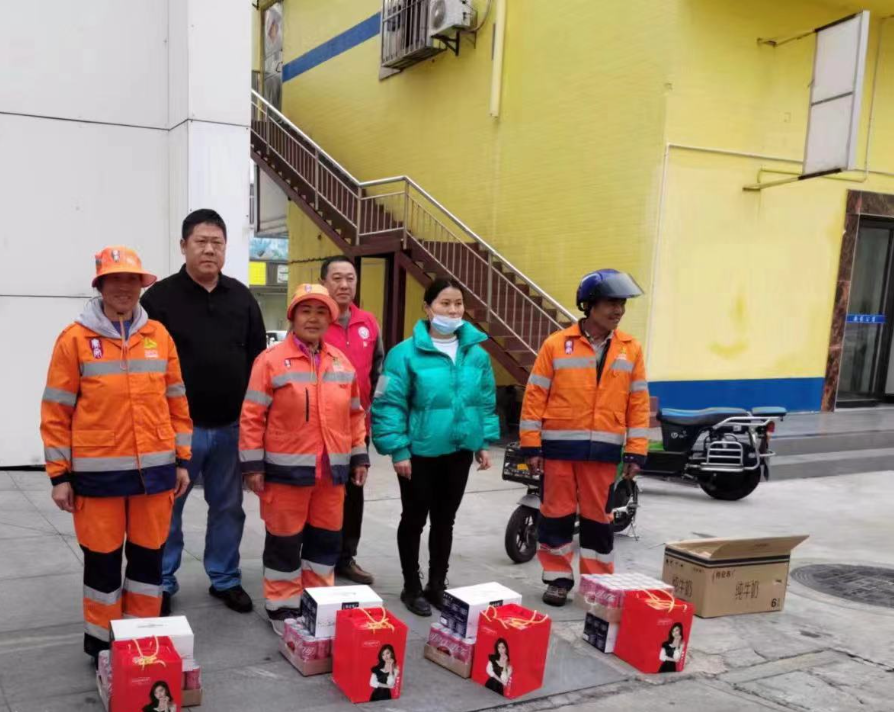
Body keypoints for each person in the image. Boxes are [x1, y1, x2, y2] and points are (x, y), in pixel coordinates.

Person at [40, 246, 192, 662]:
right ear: (100, 285)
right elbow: (56, 411)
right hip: (97, 479)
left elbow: (177, 403)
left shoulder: (159, 336)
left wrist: (182, 460)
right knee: (102, 565)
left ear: (141, 287)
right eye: (115, 279)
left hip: (155, 475)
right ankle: (103, 645)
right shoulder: (74, 340)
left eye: (131, 280)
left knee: (148, 564)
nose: (124, 287)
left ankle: (141, 640)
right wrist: (59, 475)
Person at [141, 209, 267, 616]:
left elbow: (259, 362)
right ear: (184, 246)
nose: (210, 250)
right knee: (167, 509)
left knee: (228, 507)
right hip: (177, 431)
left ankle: (225, 577)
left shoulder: (242, 299)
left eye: (217, 243)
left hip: (231, 427)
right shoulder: (158, 300)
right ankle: (161, 580)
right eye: (201, 242)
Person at [240, 284, 370, 635]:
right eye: (306, 311)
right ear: (293, 316)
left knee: (325, 543)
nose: (313, 318)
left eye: (321, 311)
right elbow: (252, 416)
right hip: (285, 474)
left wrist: (359, 456)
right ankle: (282, 607)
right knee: (284, 543)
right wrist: (252, 466)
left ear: (330, 318)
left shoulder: (341, 362)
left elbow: (355, 414)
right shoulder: (269, 361)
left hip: (331, 474)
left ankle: (317, 603)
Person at [521, 269, 650, 607]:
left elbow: (638, 403)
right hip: (559, 450)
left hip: (604, 452)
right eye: (611, 303)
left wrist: (636, 450)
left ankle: (597, 584)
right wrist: (531, 444)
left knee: (599, 519)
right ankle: (557, 579)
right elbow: (535, 397)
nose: (618, 310)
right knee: (555, 515)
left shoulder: (631, 349)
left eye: (622, 304)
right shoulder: (556, 345)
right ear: (589, 305)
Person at [372, 278, 499, 617]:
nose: (453, 310)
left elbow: (484, 401)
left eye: (458, 303)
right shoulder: (403, 354)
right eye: (445, 303)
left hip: (458, 451)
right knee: (414, 519)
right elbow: (387, 404)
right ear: (427, 308)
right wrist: (398, 449)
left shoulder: (476, 354)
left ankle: (437, 585)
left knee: (445, 520)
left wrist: (483, 441)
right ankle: (411, 586)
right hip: (419, 454)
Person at [320, 255, 384, 585]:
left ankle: (346, 557)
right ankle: (318, 557)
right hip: (320, 428)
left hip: (358, 428)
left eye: (350, 278)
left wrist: (374, 410)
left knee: (353, 493)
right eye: (337, 278)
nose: (344, 285)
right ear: (324, 283)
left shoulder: (368, 323)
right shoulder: (315, 320)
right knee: (321, 492)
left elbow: (379, 371)